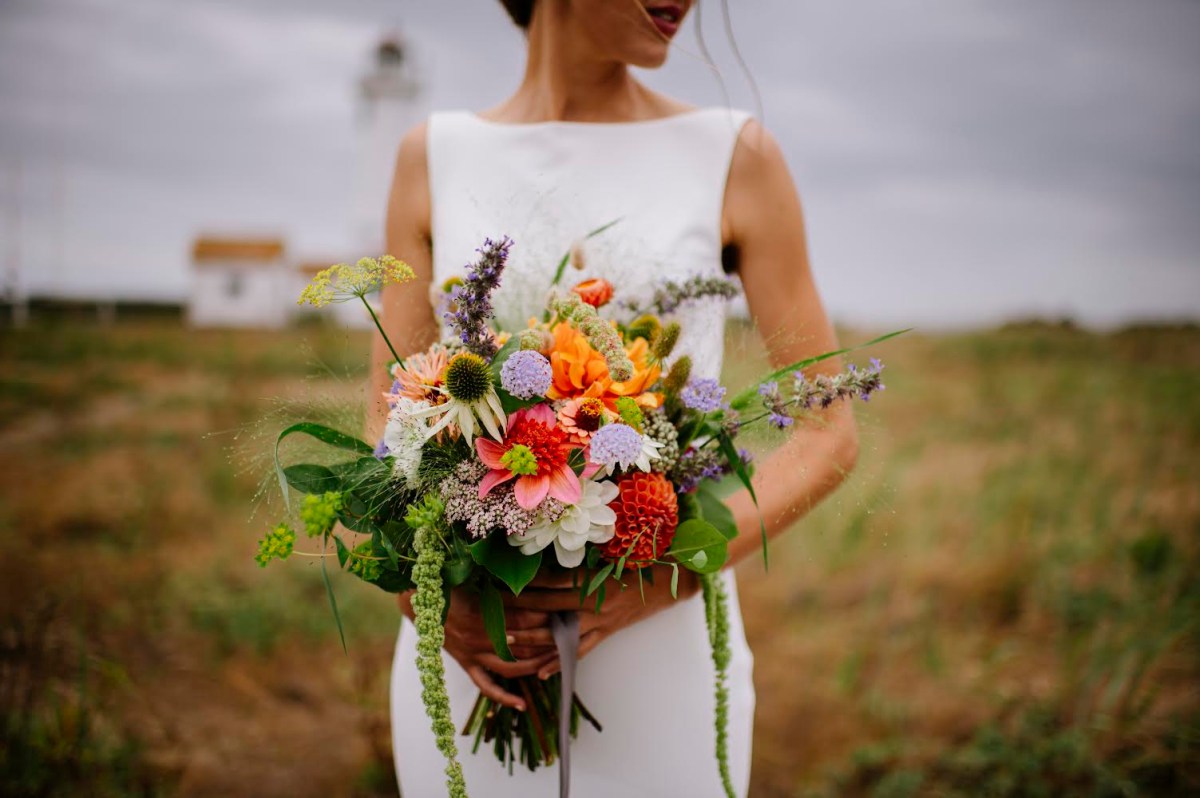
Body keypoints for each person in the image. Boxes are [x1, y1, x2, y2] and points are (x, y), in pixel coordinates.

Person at [367, 1, 859, 794]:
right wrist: (423, 601)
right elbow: (389, 421)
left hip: (660, 659)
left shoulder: (736, 155)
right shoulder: (432, 155)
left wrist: (660, 579)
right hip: (472, 654)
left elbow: (828, 433)